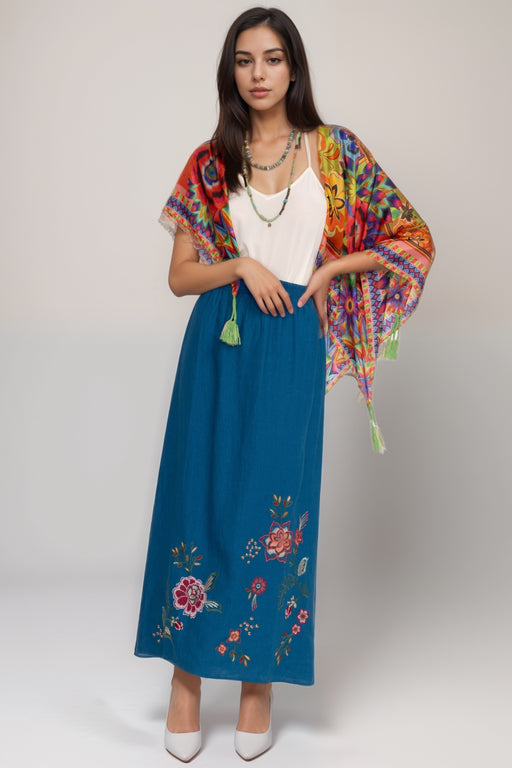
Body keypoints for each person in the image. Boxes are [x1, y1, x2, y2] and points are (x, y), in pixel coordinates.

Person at [134, 6, 434, 762]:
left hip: (293, 340)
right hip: (220, 339)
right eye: (244, 60)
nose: (258, 73)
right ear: (230, 72)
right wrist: (240, 264)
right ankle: (186, 681)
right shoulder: (211, 161)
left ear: (294, 68)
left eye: (271, 58)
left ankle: (257, 685)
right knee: (199, 498)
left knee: (275, 509)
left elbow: (411, 237)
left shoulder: (336, 151)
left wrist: (327, 272)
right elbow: (179, 277)